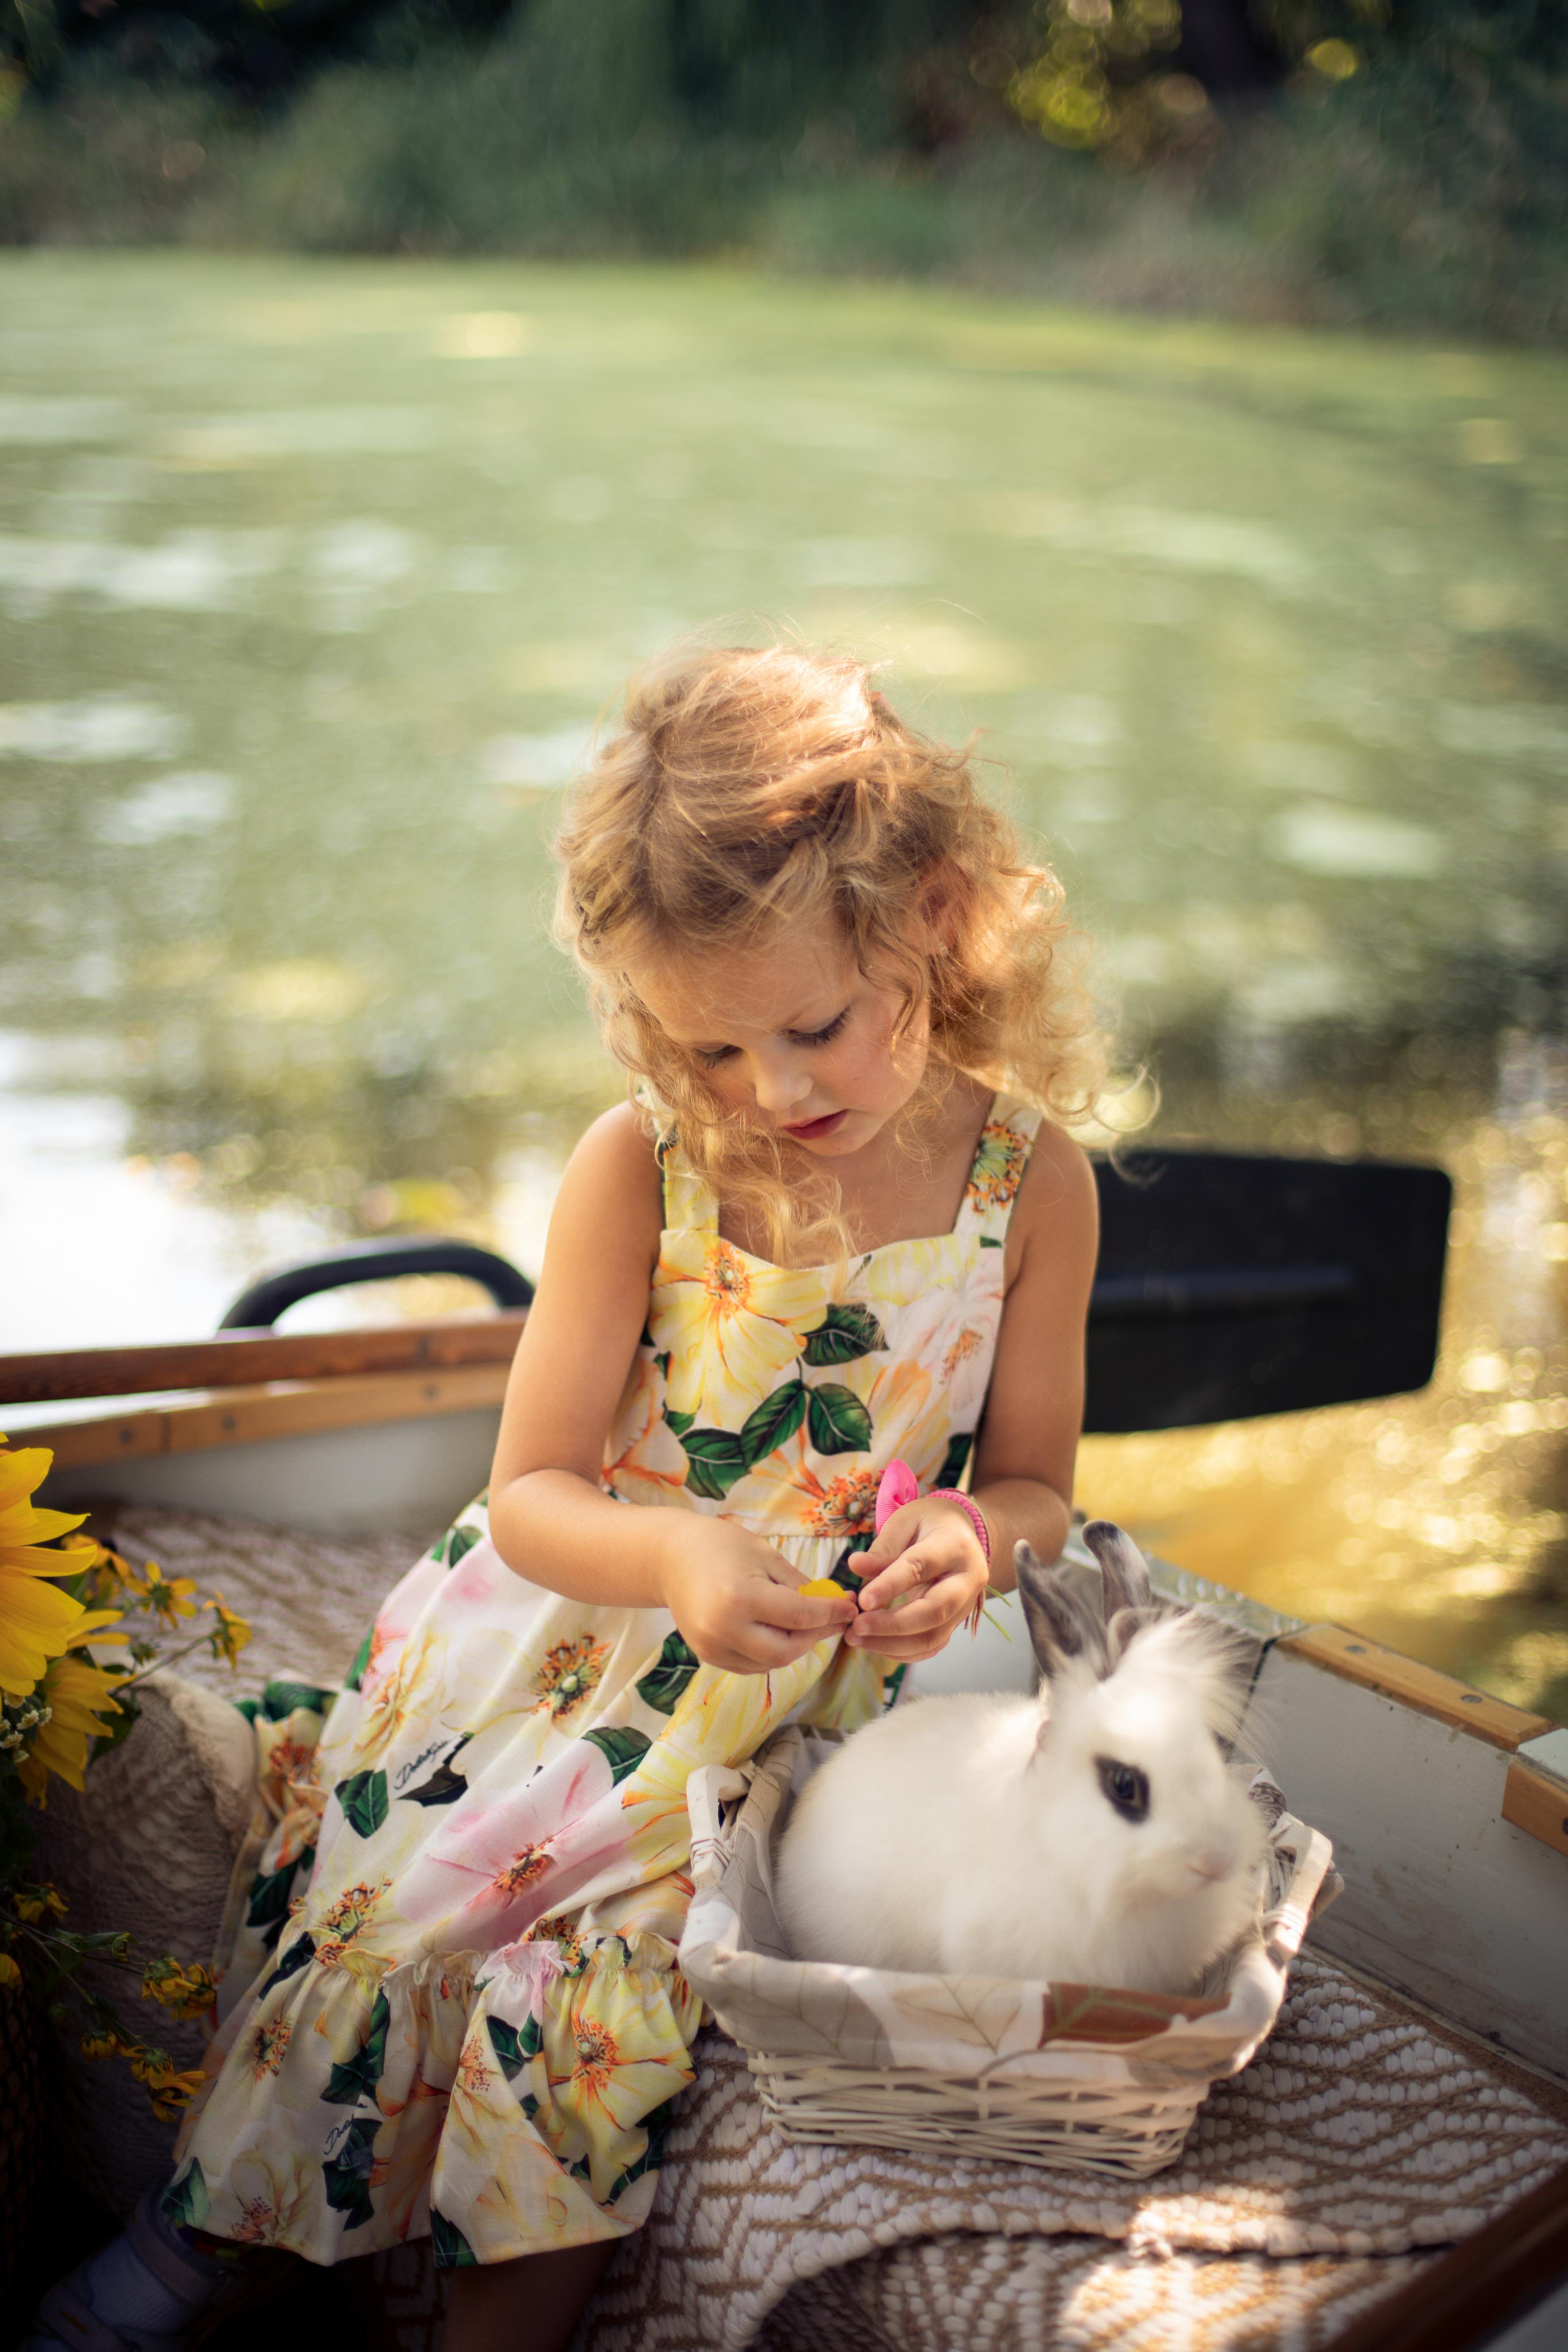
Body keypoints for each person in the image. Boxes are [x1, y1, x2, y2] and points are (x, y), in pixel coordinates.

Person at [31, 642, 1102, 2352]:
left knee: (605, 2024)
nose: (774, 1089)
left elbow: (1043, 1483)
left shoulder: (1027, 1183)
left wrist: (974, 1535)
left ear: (941, 916)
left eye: (812, 1026)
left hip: (808, 1697)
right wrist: (676, 1543)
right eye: (714, 1046)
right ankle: (185, 2258)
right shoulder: (646, 1166)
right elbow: (528, 1491)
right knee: (410, 1906)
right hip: (573, 1647)